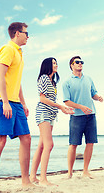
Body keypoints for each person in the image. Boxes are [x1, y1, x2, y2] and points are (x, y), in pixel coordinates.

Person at [0, 22, 33, 193]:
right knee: (0, 141)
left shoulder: (19, 53)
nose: (28, 36)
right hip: (1, 101)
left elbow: (17, 81)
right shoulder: (8, 49)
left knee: (26, 138)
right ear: (16, 33)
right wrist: (5, 102)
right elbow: (0, 76)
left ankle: (26, 181)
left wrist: (23, 102)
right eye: (26, 33)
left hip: (15, 102)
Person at [30, 57, 74, 186]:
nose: (56, 65)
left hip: (51, 114)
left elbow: (52, 102)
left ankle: (33, 176)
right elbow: (42, 99)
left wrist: (63, 109)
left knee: (42, 146)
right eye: (54, 63)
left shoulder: (53, 82)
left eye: (56, 63)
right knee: (49, 145)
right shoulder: (43, 78)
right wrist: (60, 107)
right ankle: (43, 179)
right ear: (47, 65)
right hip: (43, 113)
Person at [62, 56, 103, 179]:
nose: (80, 64)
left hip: (91, 115)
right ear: (71, 65)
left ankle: (85, 170)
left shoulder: (88, 79)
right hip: (76, 117)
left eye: (81, 62)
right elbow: (67, 102)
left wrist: (98, 97)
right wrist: (81, 107)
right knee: (73, 144)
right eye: (77, 62)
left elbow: (93, 93)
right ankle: (69, 172)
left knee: (90, 142)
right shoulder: (67, 82)